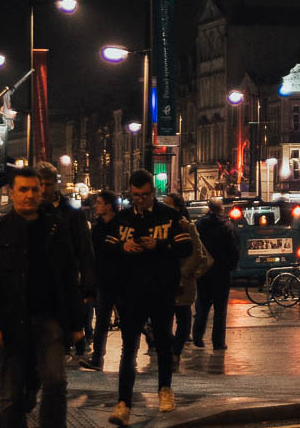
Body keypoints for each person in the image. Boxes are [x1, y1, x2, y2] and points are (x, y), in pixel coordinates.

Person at [0, 167, 84, 428]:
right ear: (11, 193)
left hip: (50, 317)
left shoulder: (56, 228)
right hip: (13, 320)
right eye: (23, 189)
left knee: (56, 381)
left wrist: (76, 323)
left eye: (35, 189)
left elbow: (69, 276)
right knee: (12, 393)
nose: (30, 195)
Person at [109, 170, 191, 423]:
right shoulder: (122, 219)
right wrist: (123, 247)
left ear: (152, 193)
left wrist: (160, 246)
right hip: (131, 292)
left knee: (164, 343)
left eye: (144, 195)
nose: (140, 200)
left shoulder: (169, 216)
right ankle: (123, 403)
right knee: (128, 348)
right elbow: (104, 246)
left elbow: (186, 246)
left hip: (160, 290)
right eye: (135, 196)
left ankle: (165, 390)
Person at [33, 163, 95, 359]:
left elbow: (85, 249)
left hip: (64, 282)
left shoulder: (71, 213)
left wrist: (87, 286)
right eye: (39, 185)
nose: (43, 190)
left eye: (48, 184)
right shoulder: (30, 211)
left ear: (55, 184)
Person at [166, 191, 211, 371]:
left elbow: (198, 253)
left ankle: (175, 352)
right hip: (166, 278)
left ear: (178, 207)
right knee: (161, 318)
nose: (166, 207)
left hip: (183, 279)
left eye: (170, 204)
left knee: (183, 317)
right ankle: (170, 349)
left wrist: (184, 273)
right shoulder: (163, 224)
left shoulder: (187, 226)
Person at [192, 197, 239, 352]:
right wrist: (230, 267)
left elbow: (195, 247)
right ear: (221, 209)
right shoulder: (227, 226)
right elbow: (234, 249)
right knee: (220, 309)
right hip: (222, 272)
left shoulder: (199, 224)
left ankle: (197, 336)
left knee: (202, 304)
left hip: (205, 271)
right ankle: (218, 342)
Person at [81, 190, 121, 371]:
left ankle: (130, 355)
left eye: (99, 202)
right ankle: (97, 358)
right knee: (102, 321)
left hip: (121, 280)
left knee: (129, 320)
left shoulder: (121, 226)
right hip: (103, 281)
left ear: (108, 206)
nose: (95, 206)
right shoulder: (96, 229)